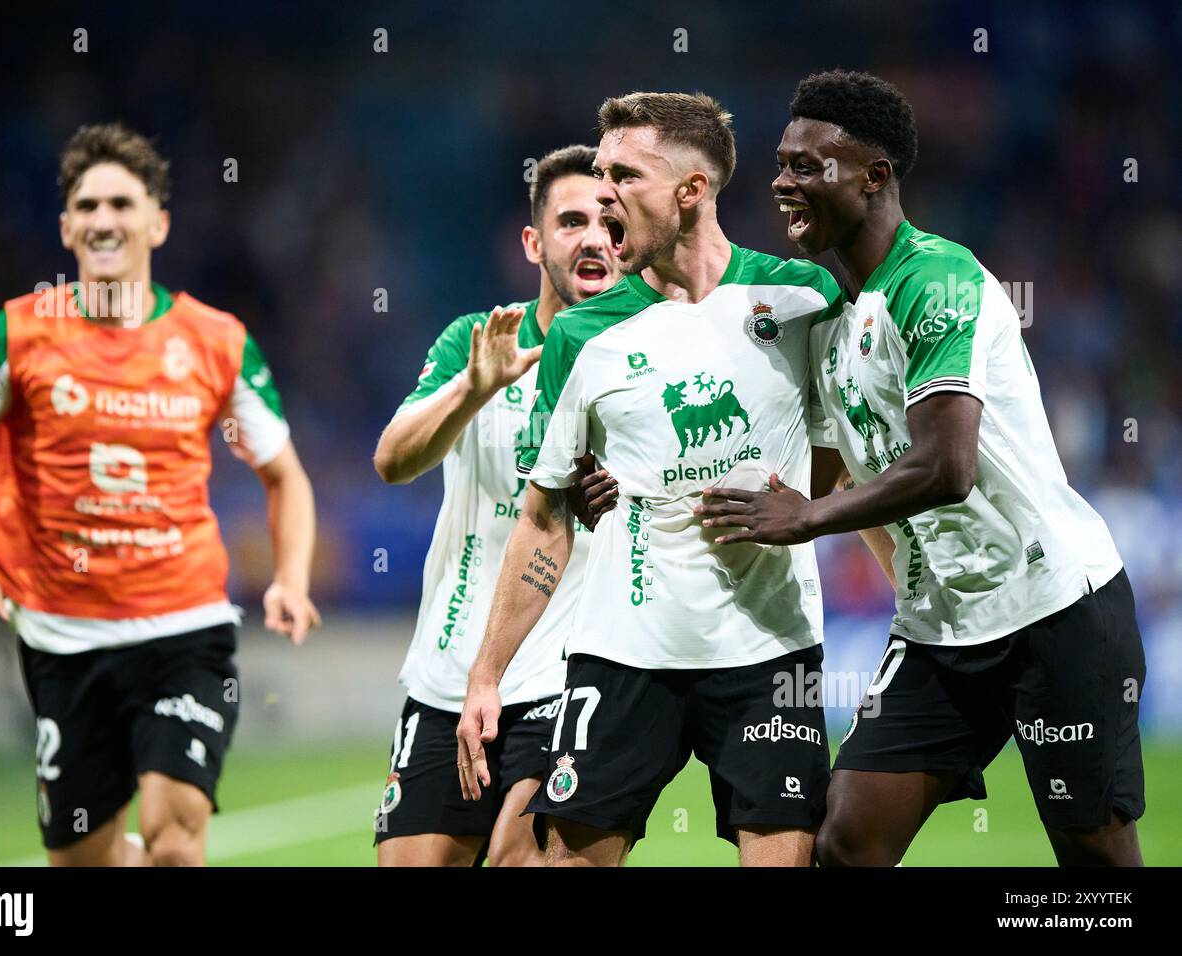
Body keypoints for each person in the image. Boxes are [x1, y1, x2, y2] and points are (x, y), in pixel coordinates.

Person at [698, 69, 1145, 866]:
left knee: (1094, 860)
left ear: (874, 177)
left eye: (808, 165)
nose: (782, 181)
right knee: (844, 843)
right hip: (942, 631)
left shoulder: (936, 280)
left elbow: (947, 466)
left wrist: (802, 519)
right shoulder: (834, 325)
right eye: (780, 162)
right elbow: (834, 477)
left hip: (1053, 608)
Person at [0, 123, 319, 867]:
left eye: (123, 204)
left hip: (185, 626)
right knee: (85, 863)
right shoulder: (18, 334)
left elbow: (285, 474)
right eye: (88, 205)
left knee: (175, 837)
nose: (105, 220)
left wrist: (291, 577)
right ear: (66, 226)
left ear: (157, 221)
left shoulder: (215, 339)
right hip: (65, 639)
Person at [458, 92, 845, 867]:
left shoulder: (805, 300)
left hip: (768, 653)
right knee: (565, 859)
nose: (603, 194)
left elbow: (841, 448)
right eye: (600, 174)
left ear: (691, 192)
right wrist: (486, 676)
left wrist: (806, 507)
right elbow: (545, 518)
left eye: (625, 176)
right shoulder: (583, 331)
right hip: (622, 652)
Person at [372, 145, 618, 866]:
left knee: (526, 858)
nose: (593, 238)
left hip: (573, 670)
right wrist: (474, 388)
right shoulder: (479, 341)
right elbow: (393, 460)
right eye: (572, 221)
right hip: (450, 670)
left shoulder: (647, 352)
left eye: (608, 221)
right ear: (534, 243)